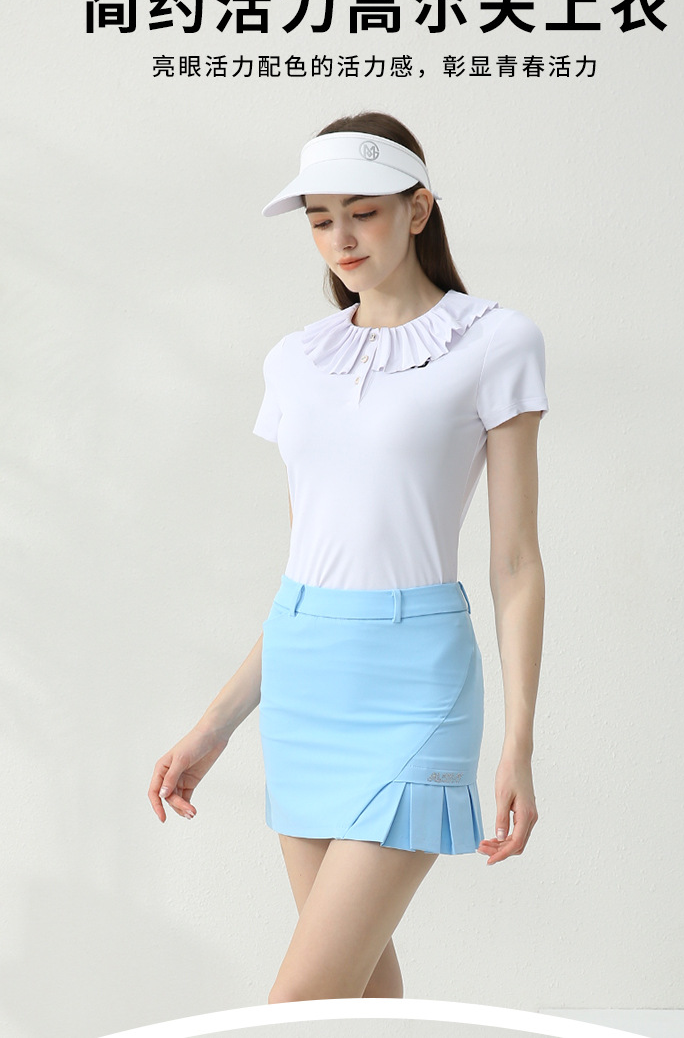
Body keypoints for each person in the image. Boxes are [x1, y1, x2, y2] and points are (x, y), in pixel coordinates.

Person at [148, 110, 549, 1003]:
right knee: (348, 1003)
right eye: (320, 218)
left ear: (418, 209)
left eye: (362, 212)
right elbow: (310, 570)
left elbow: (517, 563)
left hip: (417, 685)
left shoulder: (495, 342)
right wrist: (214, 726)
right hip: (305, 686)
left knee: (294, 1009)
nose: (341, 238)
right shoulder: (296, 361)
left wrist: (519, 742)